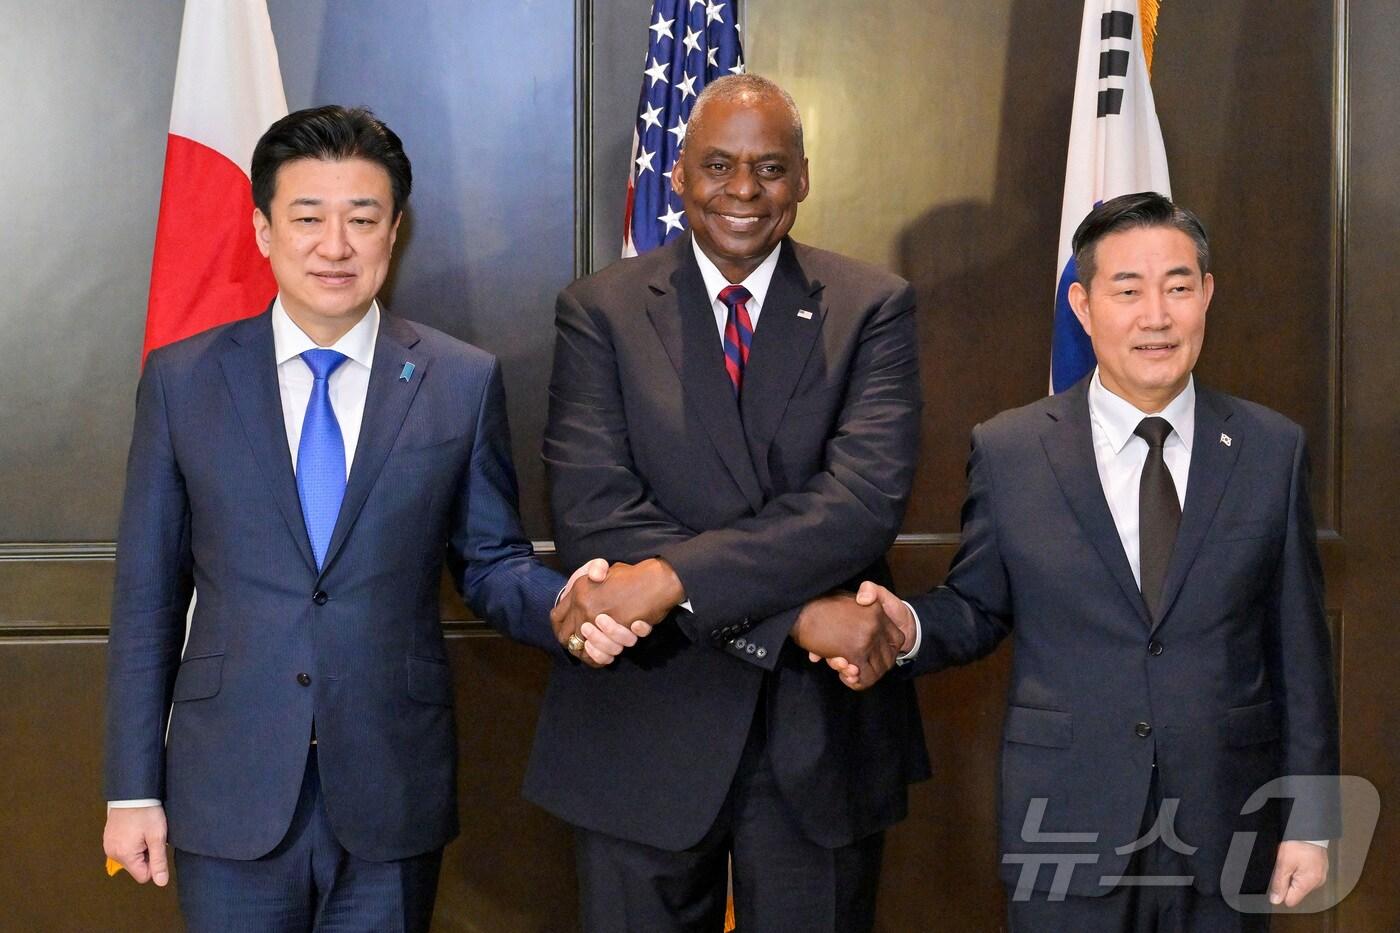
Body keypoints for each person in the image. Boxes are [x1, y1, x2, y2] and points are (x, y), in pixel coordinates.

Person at [100, 105, 625, 932]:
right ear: (264, 231)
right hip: (226, 789)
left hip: (391, 786)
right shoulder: (184, 381)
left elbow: (491, 560)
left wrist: (567, 603)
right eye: (308, 217)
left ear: (395, 231)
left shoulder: (459, 380)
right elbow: (147, 600)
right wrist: (132, 788)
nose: (335, 245)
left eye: (362, 218)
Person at [847, 192, 1340, 931]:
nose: (1156, 317)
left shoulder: (1272, 449)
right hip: (1066, 823)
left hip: (1227, 822)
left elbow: (1300, 647)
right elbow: (977, 605)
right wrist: (906, 627)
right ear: (1082, 305)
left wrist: (1311, 820)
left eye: (1177, 287)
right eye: (1128, 290)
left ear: (1206, 295)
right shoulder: (1012, 450)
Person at [533, 74, 928, 932]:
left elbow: (859, 505)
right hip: (645, 721)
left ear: (803, 178)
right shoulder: (599, 310)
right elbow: (597, 513)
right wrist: (796, 618)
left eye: (769, 167)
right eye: (718, 165)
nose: (743, 190)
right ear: (678, 175)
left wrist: (666, 578)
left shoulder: (871, 306)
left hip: (817, 733)